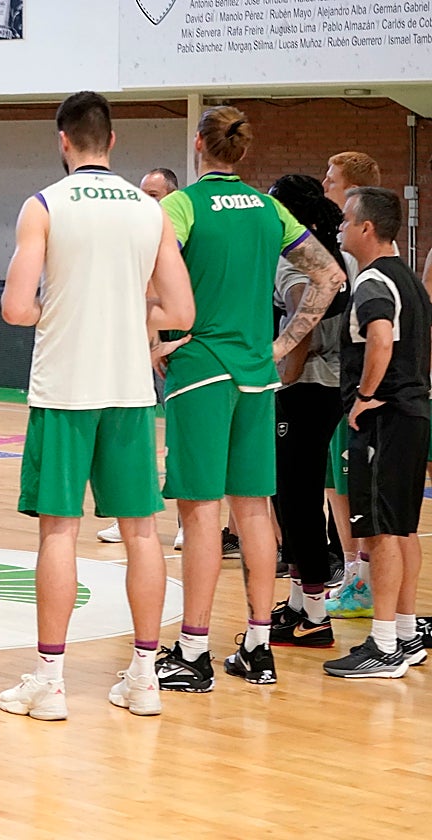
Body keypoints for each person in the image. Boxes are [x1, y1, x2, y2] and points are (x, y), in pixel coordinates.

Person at [0, 91, 194, 721]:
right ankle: (144, 677)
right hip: (131, 392)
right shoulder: (150, 209)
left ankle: (51, 683)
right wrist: (128, 312)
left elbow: (16, 308)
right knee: (141, 535)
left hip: (65, 389)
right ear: (113, 142)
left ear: (64, 141)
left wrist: (71, 307)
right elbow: (182, 312)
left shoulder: (44, 205)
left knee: (60, 530)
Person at [152, 107, 345, 692]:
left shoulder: (180, 206)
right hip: (258, 376)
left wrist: (153, 334)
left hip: (201, 370)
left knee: (202, 511)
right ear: (240, 151)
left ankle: (192, 652)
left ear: (197, 146)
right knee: (256, 509)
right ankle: (259, 648)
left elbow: (145, 272)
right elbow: (330, 275)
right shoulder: (270, 208)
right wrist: (281, 342)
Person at [323, 187, 430, 678]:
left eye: (346, 221)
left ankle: (383, 644)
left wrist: (364, 397)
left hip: (385, 418)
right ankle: (406, 635)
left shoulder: (370, 281)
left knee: (384, 533)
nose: (340, 228)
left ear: (367, 228)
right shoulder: (409, 278)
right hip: (414, 414)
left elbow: (381, 339)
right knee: (403, 528)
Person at [267, 175, 349, 649]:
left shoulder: (295, 260)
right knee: (298, 498)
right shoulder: (331, 252)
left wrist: (285, 369)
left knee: (294, 500)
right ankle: (301, 604)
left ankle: (315, 615)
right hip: (330, 389)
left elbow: (303, 311)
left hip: (308, 388)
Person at [97, 164, 182, 549]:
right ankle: (126, 515)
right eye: (143, 193)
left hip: (176, 344)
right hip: (135, 345)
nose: (146, 202)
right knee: (129, 433)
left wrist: (163, 340)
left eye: (155, 195)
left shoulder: (179, 236)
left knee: (182, 438)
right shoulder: (133, 237)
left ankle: (186, 521)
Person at [321, 151, 382, 619]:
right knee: (334, 484)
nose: (326, 183)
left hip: (354, 379)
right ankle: (351, 572)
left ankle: (360, 578)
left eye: (332, 178)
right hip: (340, 382)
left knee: (349, 484)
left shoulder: (359, 250)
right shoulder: (343, 241)